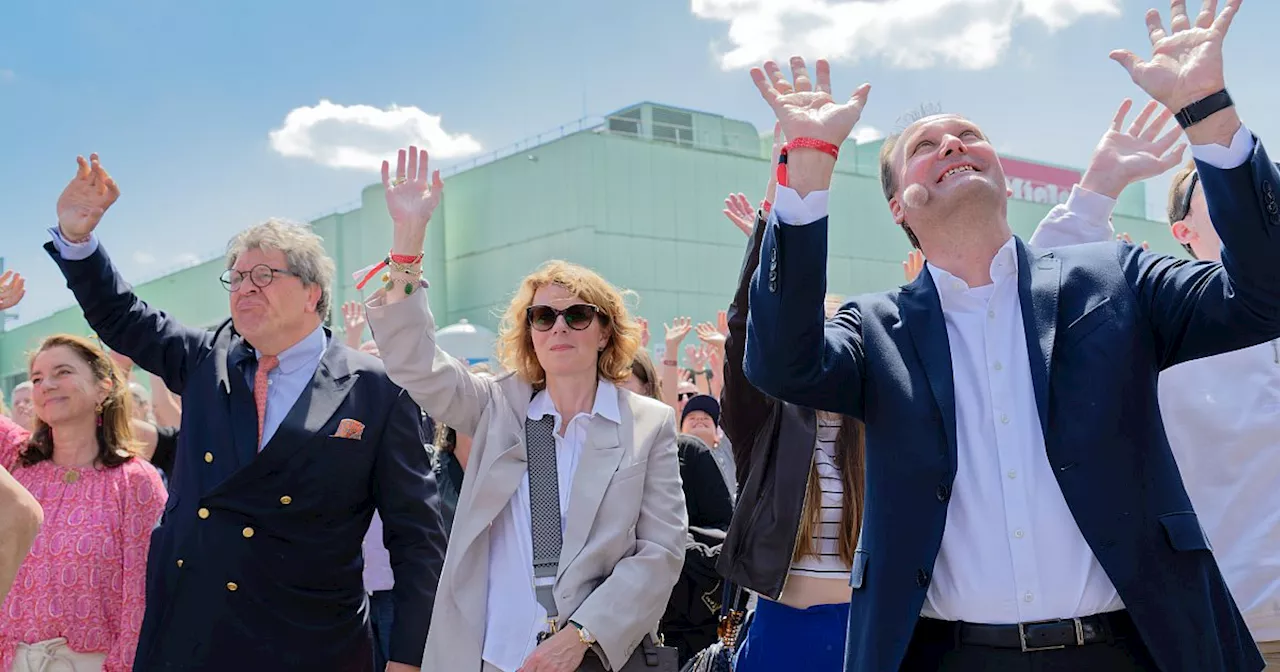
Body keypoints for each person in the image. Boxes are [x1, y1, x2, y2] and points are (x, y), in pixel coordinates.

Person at [742, 1, 1275, 668]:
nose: (952, 145)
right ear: (898, 205)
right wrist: (806, 177)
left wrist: (1208, 111)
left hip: (1134, 648)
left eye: (968, 133)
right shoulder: (875, 330)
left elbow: (1261, 296)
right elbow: (781, 365)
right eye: (925, 147)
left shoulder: (1116, 278)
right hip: (953, 655)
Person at [42, 154, 447, 672]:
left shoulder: (375, 389)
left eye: (263, 274)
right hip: (191, 635)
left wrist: (408, 658)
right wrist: (79, 243)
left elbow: (417, 539)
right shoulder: (205, 357)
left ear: (312, 293)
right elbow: (122, 316)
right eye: (235, 278)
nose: (245, 286)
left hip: (308, 642)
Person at [365, 145, 686, 671]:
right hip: (488, 655)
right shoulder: (498, 406)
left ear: (605, 331)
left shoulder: (647, 423)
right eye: (543, 316)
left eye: (577, 315)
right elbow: (414, 361)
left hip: (586, 656)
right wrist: (408, 242)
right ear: (529, 332)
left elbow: (661, 551)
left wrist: (582, 634)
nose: (559, 327)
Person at [1029, 134, 1280, 667]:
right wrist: (1096, 191)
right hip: (1231, 631)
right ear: (1183, 232)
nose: (1257, 192)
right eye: (1222, 185)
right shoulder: (1161, 319)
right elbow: (1038, 284)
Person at [716, 149, 867, 669]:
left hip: (864, 633)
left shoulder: (878, 429)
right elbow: (743, 333)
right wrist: (769, 236)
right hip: (780, 633)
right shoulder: (762, 430)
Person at [0, 334, 167, 671]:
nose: (46, 384)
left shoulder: (135, 481)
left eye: (63, 372)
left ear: (103, 388)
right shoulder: (16, 460)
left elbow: (143, 596)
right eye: (36, 378)